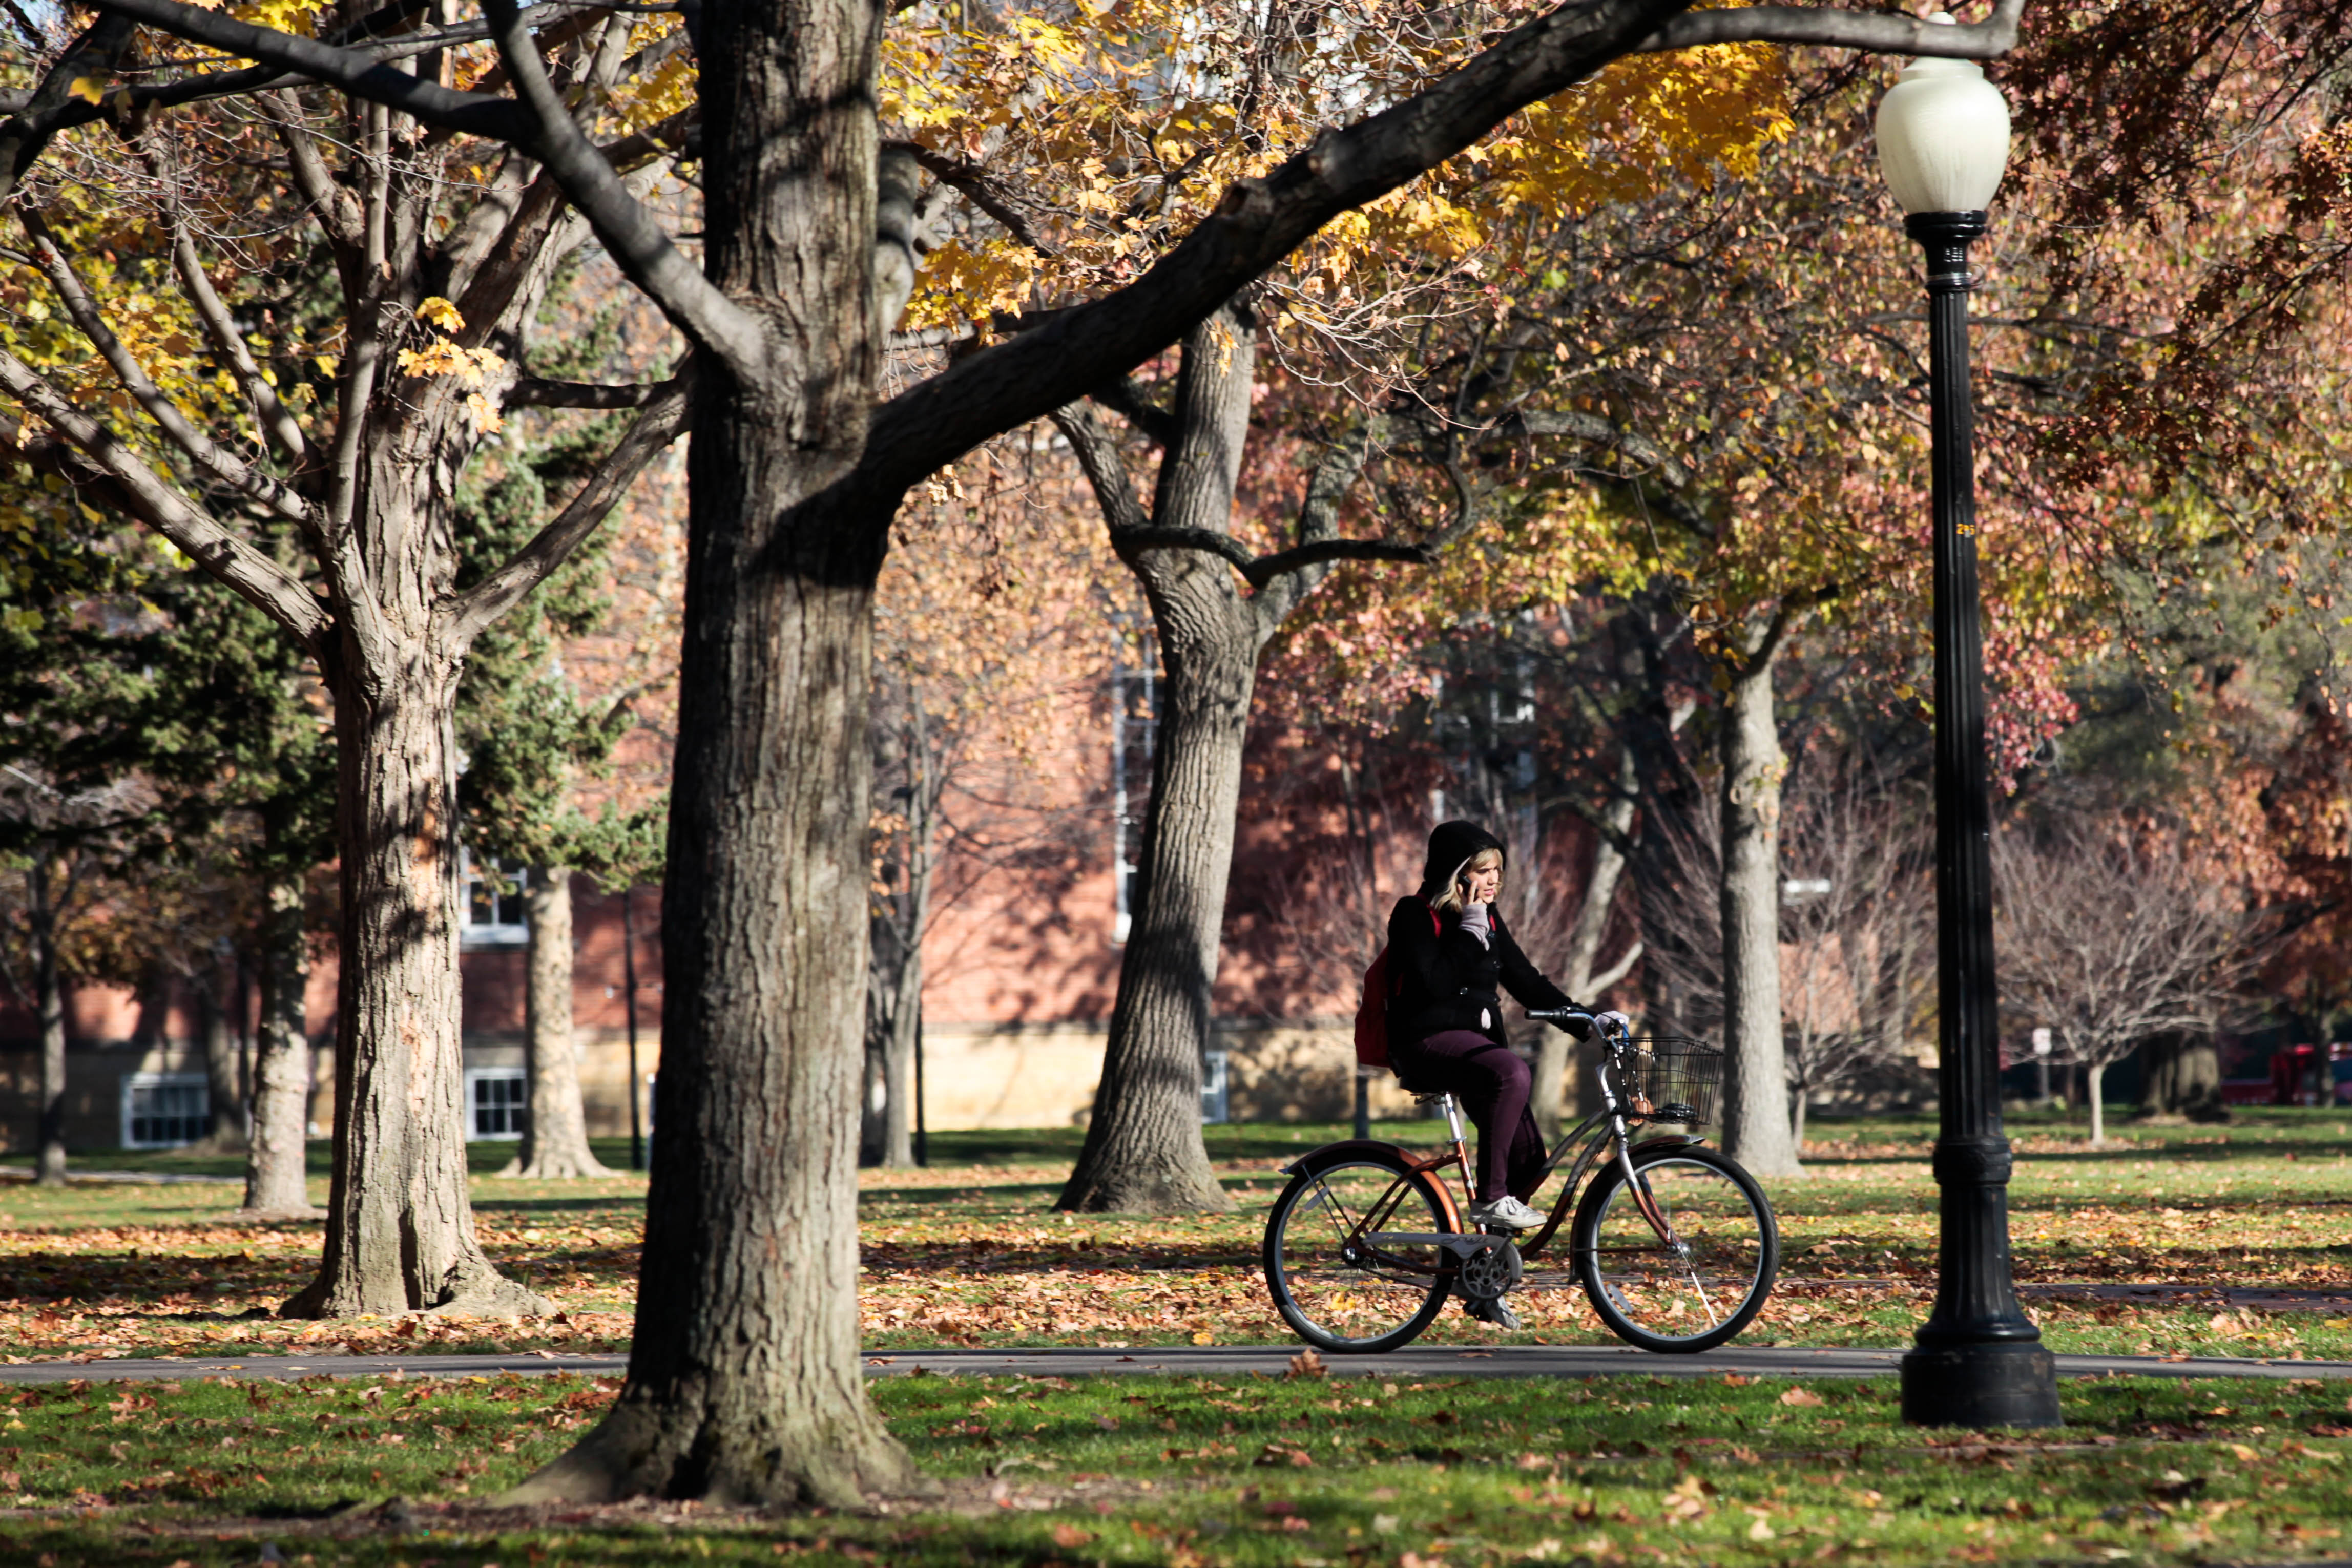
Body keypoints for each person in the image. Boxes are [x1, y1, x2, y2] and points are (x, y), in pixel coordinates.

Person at [1387, 820, 1611, 1326]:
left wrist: (1590, 1018)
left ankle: (1483, 1280)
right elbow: (1435, 983)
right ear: (1456, 873)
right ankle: (1490, 1201)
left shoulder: (1488, 920)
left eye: (1496, 871)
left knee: (1529, 1159)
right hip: (1427, 1043)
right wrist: (1467, 927)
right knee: (1511, 1070)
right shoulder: (1414, 914)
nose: (1492, 882)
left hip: (1476, 1052)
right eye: (1482, 871)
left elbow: (1527, 982)